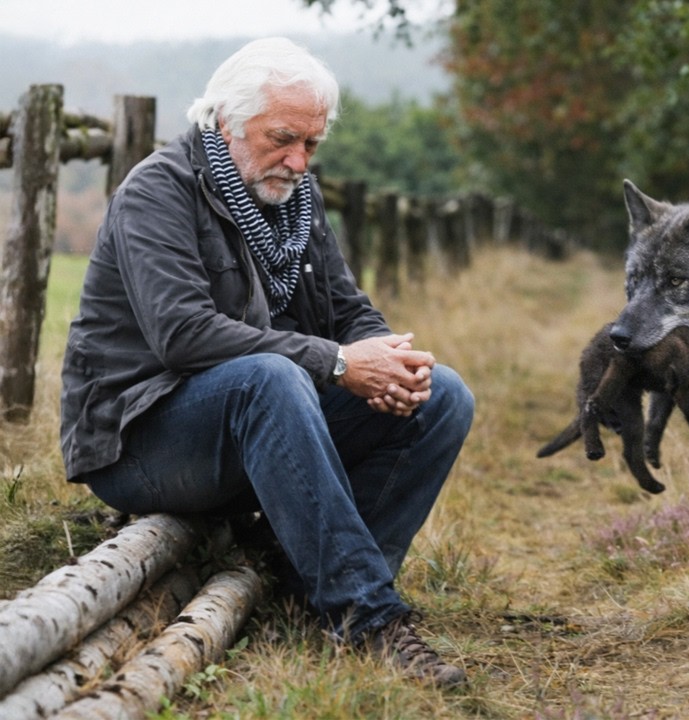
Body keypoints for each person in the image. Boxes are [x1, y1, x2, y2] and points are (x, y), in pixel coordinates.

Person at [58, 37, 473, 689]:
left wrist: (389, 360)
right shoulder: (159, 191)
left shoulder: (296, 199)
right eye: (283, 138)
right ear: (225, 119)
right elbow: (184, 335)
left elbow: (346, 309)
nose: (299, 160)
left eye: (312, 143)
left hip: (257, 428)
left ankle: (301, 578)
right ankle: (366, 618)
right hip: (140, 443)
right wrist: (338, 363)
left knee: (443, 394)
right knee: (272, 378)